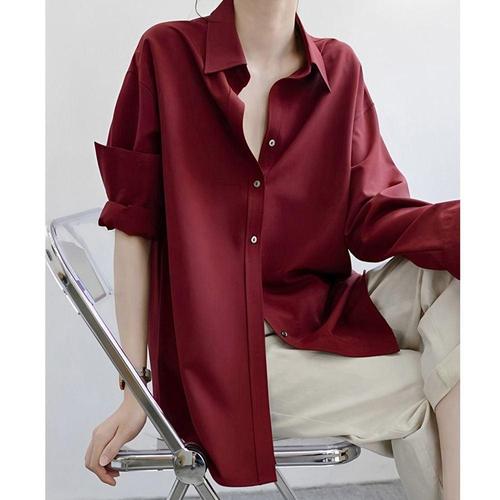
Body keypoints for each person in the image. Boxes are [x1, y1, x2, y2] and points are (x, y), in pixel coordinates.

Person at [85, 1, 460, 499]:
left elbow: (373, 216)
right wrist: (137, 391)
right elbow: (134, 226)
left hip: (320, 316)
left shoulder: (340, 69)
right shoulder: (165, 54)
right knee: (435, 380)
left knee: (456, 284)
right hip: (219, 361)